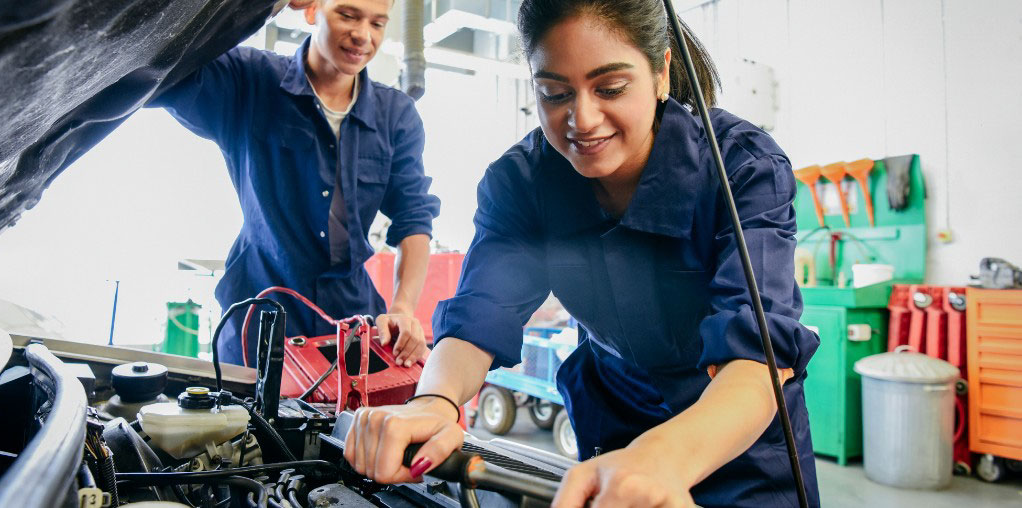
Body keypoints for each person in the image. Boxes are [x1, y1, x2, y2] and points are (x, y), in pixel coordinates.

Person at [341, 0, 820, 506]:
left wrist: (661, 458)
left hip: (741, 440)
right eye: (555, 93)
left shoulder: (743, 166)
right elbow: (478, 316)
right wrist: (432, 402)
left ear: (661, 72)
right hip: (617, 429)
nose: (583, 119)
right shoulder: (521, 183)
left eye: (610, 88)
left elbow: (757, 357)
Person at [149, 0, 440, 368]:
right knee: (249, 424)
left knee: (348, 424)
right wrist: (266, 6)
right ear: (310, 9)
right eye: (347, 15)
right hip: (259, 316)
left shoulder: (396, 116)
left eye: (378, 24)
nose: (363, 36)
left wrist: (402, 307)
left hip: (351, 324)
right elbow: (164, 60)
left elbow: (414, 217)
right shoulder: (250, 82)